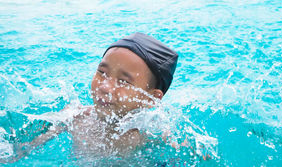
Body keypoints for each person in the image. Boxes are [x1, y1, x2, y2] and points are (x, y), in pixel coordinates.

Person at [4, 32, 178, 162]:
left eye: (124, 82)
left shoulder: (154, 136)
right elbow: (21, 149)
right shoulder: (76, 117)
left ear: (150, 98)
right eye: (102, 72)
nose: (104, 86)